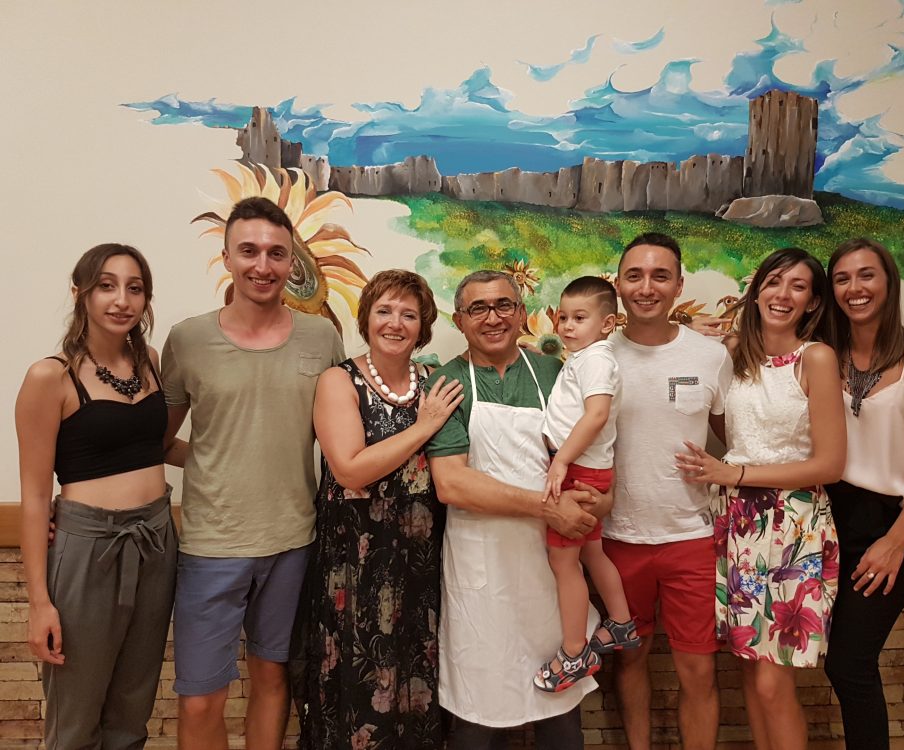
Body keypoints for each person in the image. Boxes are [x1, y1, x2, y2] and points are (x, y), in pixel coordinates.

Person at [161, 197, 345, 750]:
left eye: (275, 253)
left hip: (293, 542)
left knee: (273, 679)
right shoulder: (187, 340)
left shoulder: (321, 339)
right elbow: (157, 441)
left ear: (292, 263)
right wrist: (217, 457)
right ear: (227, 258)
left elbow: (342, 438)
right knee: (200, 698)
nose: (262, 265)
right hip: (211, 545)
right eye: (248, 251)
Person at [425, 270, 611, 750]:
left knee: (560, 716)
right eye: (478, 308)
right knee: (477, 713)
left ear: (522, 313)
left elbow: (591, 454)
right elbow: (452, 483)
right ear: (459, 321)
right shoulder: (447, 383)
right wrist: (549, 509)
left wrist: (597, 500)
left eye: (504, 305)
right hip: (480, 567)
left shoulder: (555, 373)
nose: (493, 318)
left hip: (550, 570)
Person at [677, 247, 845, 750]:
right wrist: (691, 335)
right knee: (750, 668)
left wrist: (737, 473)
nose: (783, 294)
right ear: (755, 292)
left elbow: (830, 464)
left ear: (813, 302)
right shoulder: (734, 355)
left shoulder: (815, 357)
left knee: (774, 681)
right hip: (740, 525)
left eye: (798, 286)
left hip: (794, 526)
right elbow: (727, 425)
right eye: (774, 282)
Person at [15, 243, 182, 749]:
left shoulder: (150, 362)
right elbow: (34, 495)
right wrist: (39, 603)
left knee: (132, 711)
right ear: (80, 293)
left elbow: (157, 447)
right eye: (106, 286)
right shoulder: (50, 377)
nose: (121, 300)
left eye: (135, 288)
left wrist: (236, 457)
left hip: (156, 540)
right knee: (76, 716)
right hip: (89, 546)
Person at [293, 270, 463, 749]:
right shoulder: (339, 380)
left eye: (409, 314)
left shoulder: (434, 383)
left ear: (423, 325)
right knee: (361, 679)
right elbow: (350, 470)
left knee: (418, 673)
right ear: (366, 318)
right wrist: (424, 426)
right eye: (384, 311)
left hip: (422, 560)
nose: (395, 322)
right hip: (357, 562)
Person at [822, 238, 904, 750]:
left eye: (866, 275)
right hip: (826, 522)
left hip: (890, 524)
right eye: (842, 278)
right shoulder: (823, 355)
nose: (854, 288)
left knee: (849, 664)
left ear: (889, 282)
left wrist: (897, 541)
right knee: (830, 662)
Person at [603, 233, 733, 750]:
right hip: (617, 540)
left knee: (698, 671)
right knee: (630, 660)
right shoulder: (594, 357)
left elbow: (737, 439)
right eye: (634, 276)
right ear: (618, 285)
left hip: (691, 540)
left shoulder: (711, 356)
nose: (646, 287)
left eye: (660, 276)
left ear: (679, 285)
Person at [534, 276, 638, 693]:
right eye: (563, 317)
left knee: (564, 564)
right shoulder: (585, 358)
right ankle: (621, 622)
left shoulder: (596, 360)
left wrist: (561, 461)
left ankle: (575, 653)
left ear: (608, 323)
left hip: (578, 471)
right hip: (589, 468)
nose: (566, 326)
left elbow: (596, 415)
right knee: (593, 551)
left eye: (579, 318)